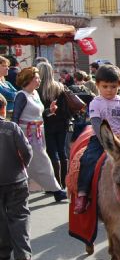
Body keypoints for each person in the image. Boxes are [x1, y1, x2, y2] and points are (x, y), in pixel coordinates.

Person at [74, 65, 120, 214]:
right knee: (88, 159)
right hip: (100, 139)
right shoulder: (96, 103)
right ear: (98, 85)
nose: (109, 90)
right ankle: (82, 194)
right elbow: (96, 124)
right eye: (105, 86)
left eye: (113, 86)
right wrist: (106, 142)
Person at [12, 67, 67, 202]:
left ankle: (20, 190)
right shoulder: (21, 95)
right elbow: (15, 117)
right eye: (37, 77)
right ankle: (57, 190)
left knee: (30, 162)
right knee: (43, 161)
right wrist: (14, 136)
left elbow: (40, 114)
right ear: (30, 79)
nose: (39, 80)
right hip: (27, 134)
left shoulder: (35, 94)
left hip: (37, 133)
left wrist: (50, 111)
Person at [0, 93, 33, 260]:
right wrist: (23, 165)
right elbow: (26, 150)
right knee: (19, 215)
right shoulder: (11, 127)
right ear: (4, 109)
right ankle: (23, 255)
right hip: (16, 178)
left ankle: (4, 250)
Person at [37, 62, 72, 190]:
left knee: (52, 152)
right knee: (62, 151)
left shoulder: (38, 90)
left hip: (47, 124)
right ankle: (64, 183)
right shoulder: (60, 87)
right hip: (62, 123)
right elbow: (65, 107)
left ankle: (55, 185)